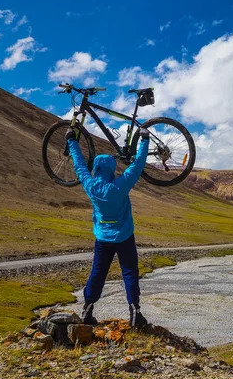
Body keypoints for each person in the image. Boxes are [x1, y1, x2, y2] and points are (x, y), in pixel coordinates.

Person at [66, 127, 150, 328]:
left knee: (98, 272)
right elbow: (137, 165)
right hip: (125, 237)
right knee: (129, 273)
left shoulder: (91, 185)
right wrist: (144, 140)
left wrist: (71, 140)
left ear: (96, 168)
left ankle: (87, 309)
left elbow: (78, 165)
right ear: (112, 169)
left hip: (103, 238)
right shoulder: (120, 185)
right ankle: (135, 313)